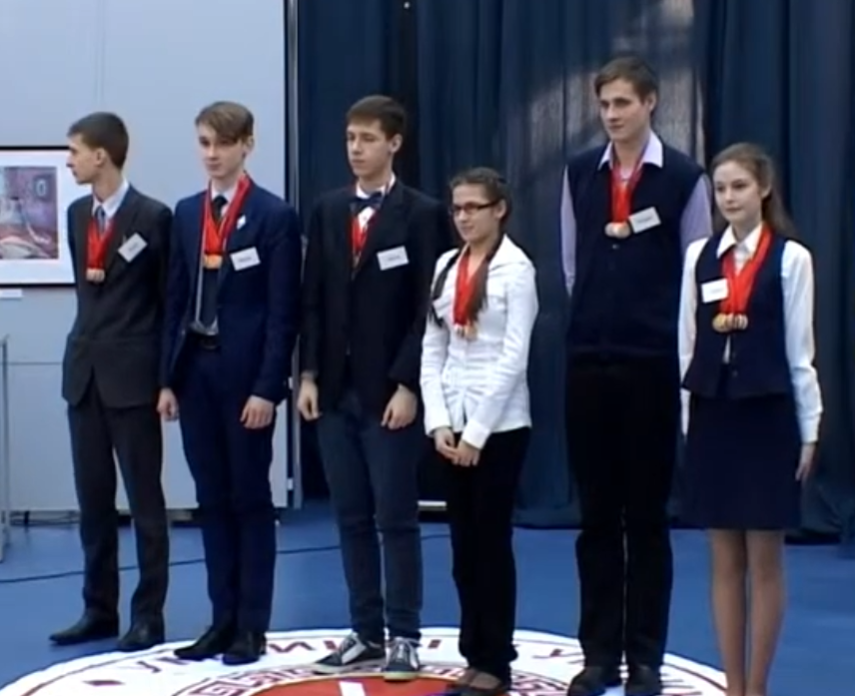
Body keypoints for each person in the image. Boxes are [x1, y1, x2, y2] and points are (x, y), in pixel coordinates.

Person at [560, 55, 713, 696]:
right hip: (589, 365)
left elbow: (697, 268)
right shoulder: (579, 173)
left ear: (651, 102)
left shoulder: (683, 178)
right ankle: (599, 654)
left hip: (651, 367)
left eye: (623, 102)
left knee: (647, 520)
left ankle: (645, 656)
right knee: (596, 518)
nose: (612, 115)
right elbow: (572, 265)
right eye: (604, 105)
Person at [298, 94, 453, 680]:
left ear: (394, 143)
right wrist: (308, 374)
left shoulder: (422, 213)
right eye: (350, 139)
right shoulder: (327, 210)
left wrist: (408, 383)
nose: (356, 149)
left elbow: (427, 307)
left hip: (389, 392)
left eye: (367, 139)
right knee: (351, 516)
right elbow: (313, 298)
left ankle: (404, 634)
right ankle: (364, 631)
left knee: (396, 516)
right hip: (334, 390)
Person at [159, 101, 302, 665]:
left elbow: (283, 311)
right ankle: (220, 619)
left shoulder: (273, 215)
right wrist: (167, 379)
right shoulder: (187, 213)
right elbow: (174, 299)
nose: (212, 154)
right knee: (210, 499)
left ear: (247, 145)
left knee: (249, 497)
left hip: (245, 378)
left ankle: (251, 625)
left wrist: (268, 388)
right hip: (196, 371)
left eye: (222, 143)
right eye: (204, 143)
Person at [678, 142, 821, 696]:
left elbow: (800, 351)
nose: (729, 198)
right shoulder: (699, 256)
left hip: (767, 414)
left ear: (763, 189)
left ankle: (756, 686)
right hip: (713, 413)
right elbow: (688, 341)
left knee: (764, 558)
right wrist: (689, 418)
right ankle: (732, 683)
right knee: (722, 557)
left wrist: (809, 428)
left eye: (739, 186)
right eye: (720, 189)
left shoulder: (790, 259)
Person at [52, 112, 171, 652]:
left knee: (145, 503)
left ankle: (148, 615)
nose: (69, 161)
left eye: (74, 151)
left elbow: (165, 303)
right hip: (84, 378)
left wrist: (165, 380)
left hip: (133, 380)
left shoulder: (153, 217)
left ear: (101, 155)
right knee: (93, 501)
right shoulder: (78, 215)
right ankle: (98, 608)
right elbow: (88, 292)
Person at [420, 168, 537, 696]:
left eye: (474, 207)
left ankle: (496, 661)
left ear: (499, 210)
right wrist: (439, 421)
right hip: (453, 422)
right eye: (457, 208)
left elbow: (513, 358)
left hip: (500, 427)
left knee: (491, 545)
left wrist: (477, 433)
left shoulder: (517, 270)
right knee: (462, 548)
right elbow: (434, 347)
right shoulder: (446, 266)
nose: (464, 217)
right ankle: (473, 653)